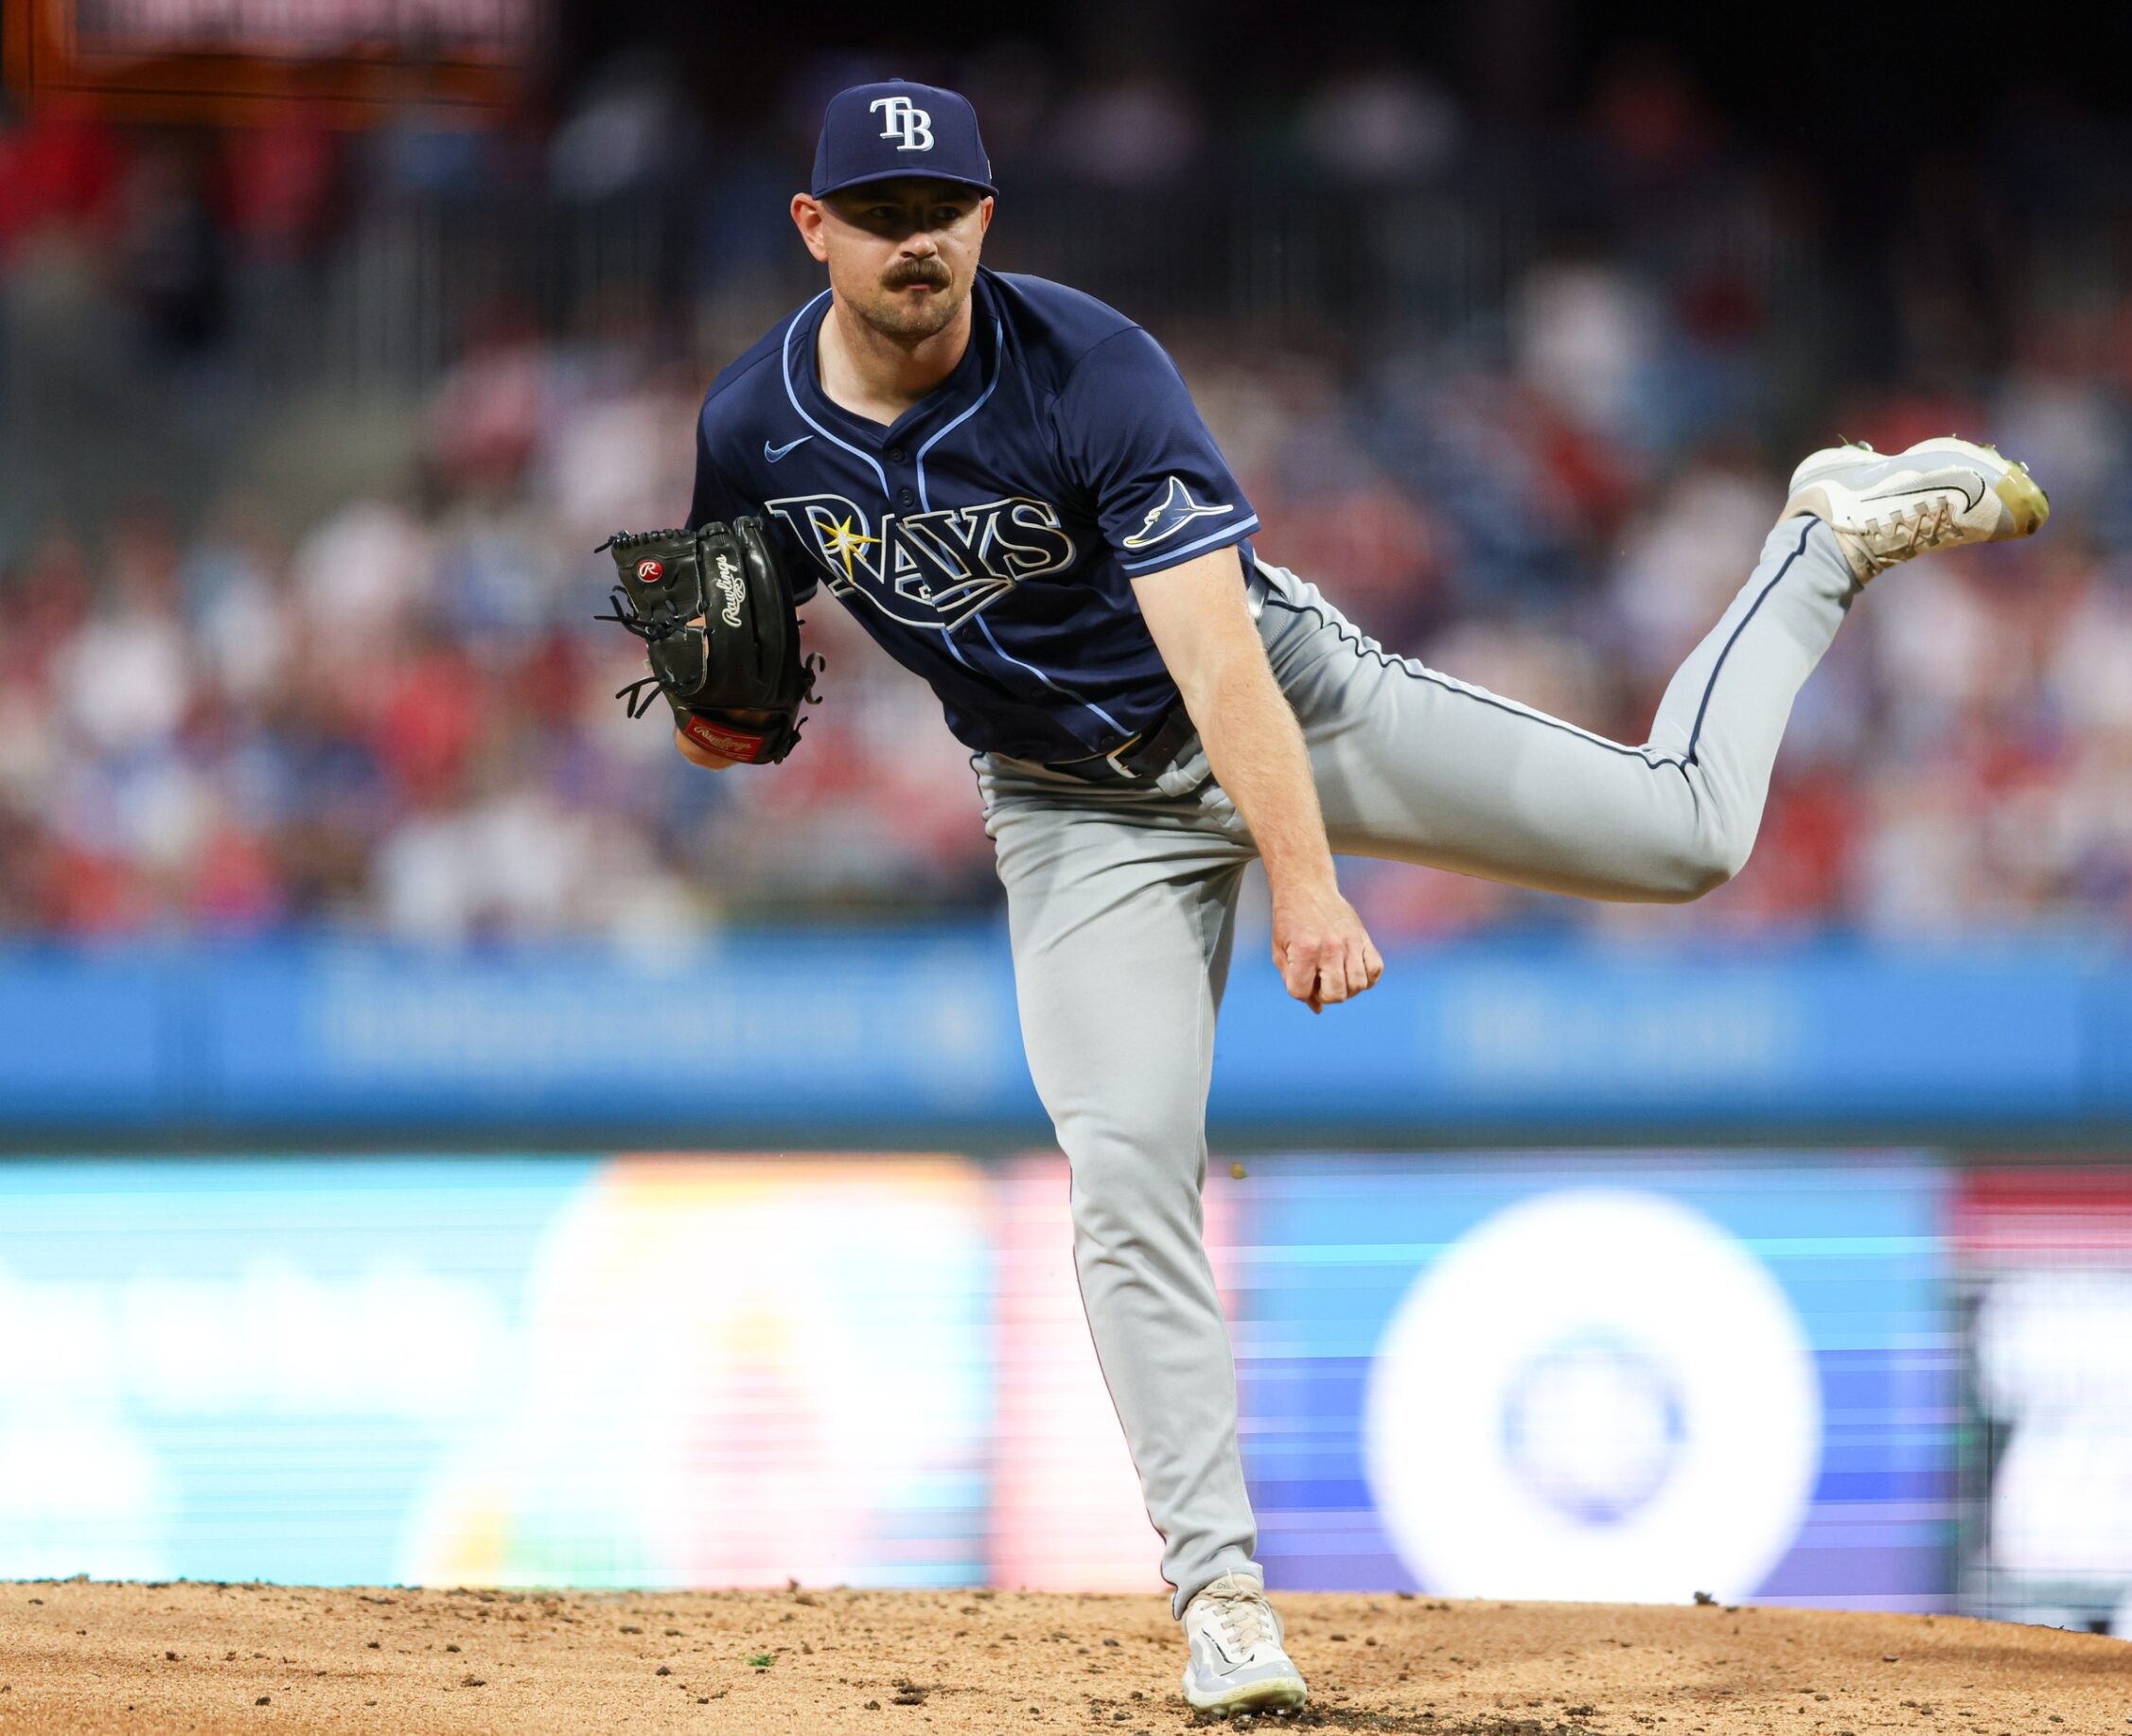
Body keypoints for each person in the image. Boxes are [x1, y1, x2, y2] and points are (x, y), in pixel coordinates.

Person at [673, 78, 2049, 1714]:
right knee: (1123, 1173)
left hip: (1287, 709)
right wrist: (720, 720)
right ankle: (1222, 1605)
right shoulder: (751, 427)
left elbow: (1218, 652)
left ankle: (1820, 539)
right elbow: (727, 697)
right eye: (882, 216)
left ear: (987, 217)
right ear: (814, 229)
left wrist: (1306, 883)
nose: (919, 243)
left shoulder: (1092, 371)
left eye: (945, 210)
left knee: (1687, 837)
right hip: (1064, 804)